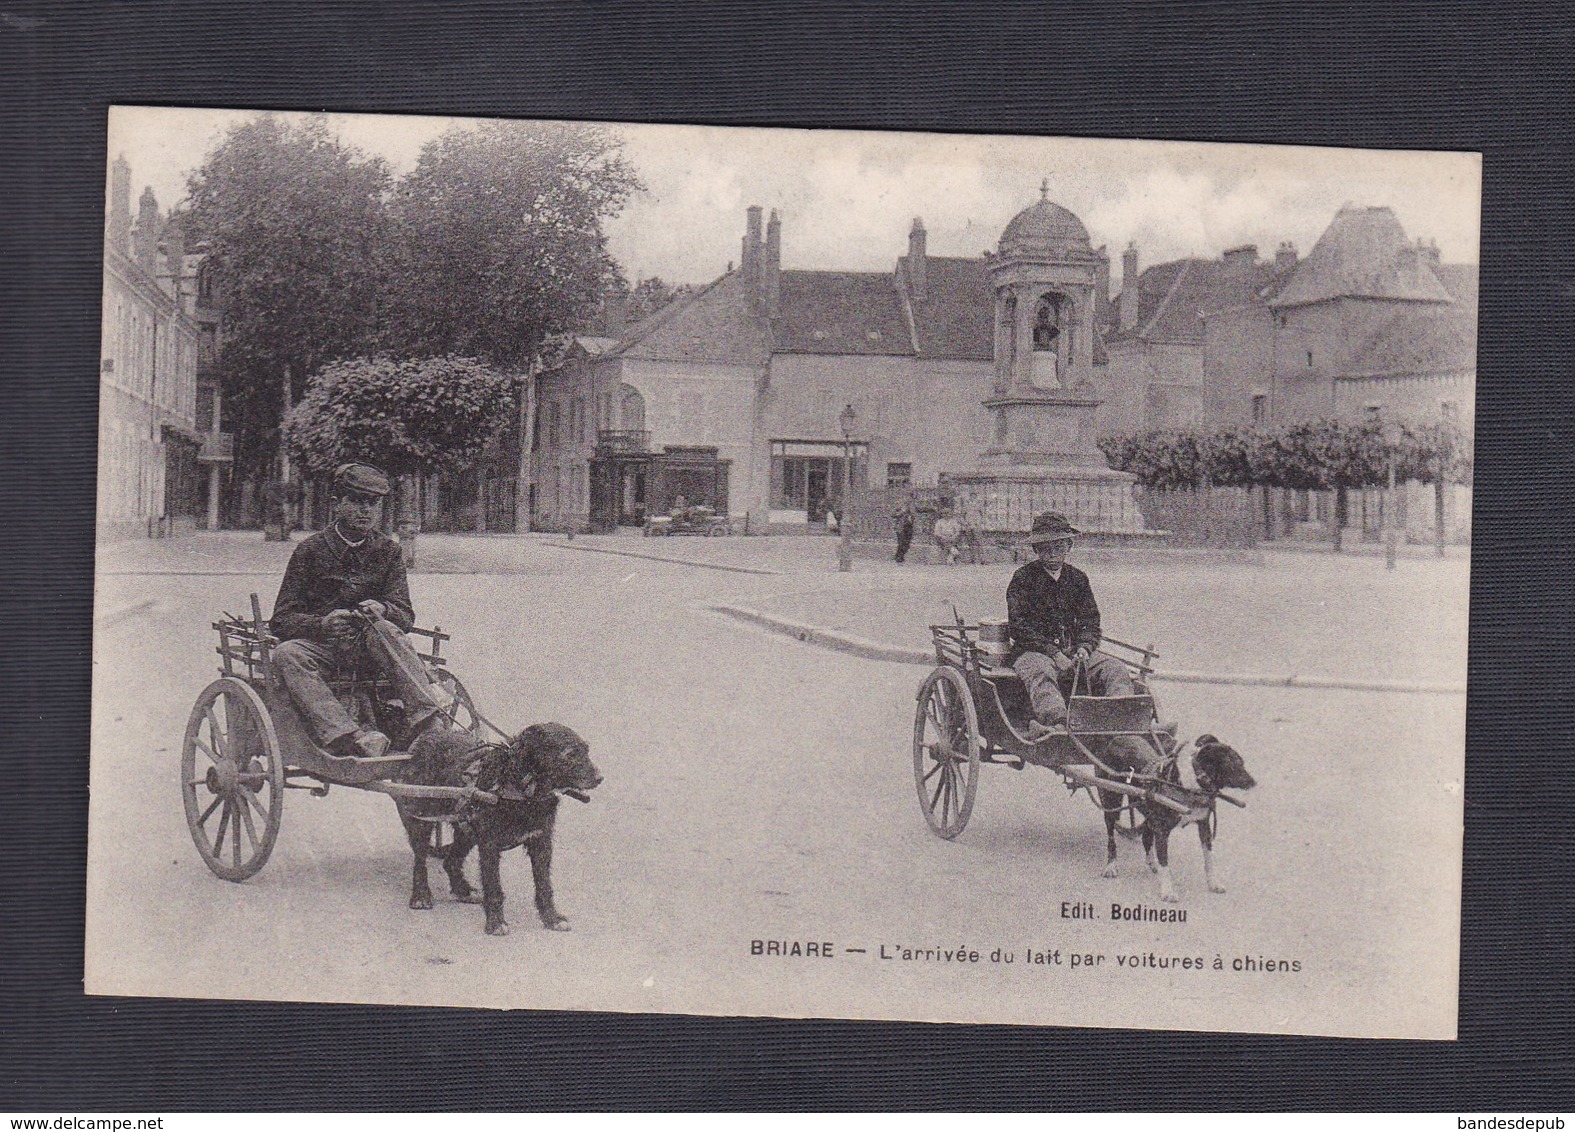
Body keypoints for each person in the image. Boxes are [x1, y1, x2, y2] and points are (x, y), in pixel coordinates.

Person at [270, 463, 450, 759]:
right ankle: (353, 736)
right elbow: (281, 620)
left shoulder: (388, 551)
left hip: (374, 652)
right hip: (322, 649)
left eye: (373, 503)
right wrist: (322, 624)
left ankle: (428, 721)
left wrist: (383, 608)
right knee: (287, 654)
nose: (366, 510)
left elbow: (405, 616)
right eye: (356, 501)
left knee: (385, 628)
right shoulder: (310, 551)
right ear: (336, 504)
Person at [1006, 512, 1146, 755]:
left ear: (1069, 546)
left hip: (1075, 651)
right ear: (1036, 550)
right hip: (1033, 651)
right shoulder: (1023, 579)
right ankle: (1057, 724)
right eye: (1046, 548)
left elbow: (1091, 621)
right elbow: (1019, 626)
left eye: (1058, 546)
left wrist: (1085, 647)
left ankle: (1122, 720)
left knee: (1114, 668)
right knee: (1041, 673)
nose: (1052, 553)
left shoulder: (1078, 579)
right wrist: (1052, 652)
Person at [892, 494, 916, 563]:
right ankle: (899, 557)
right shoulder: (899, 507)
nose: (909, 500)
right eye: (908, 498)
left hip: (909, 526)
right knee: (901, 542)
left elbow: (919, 510)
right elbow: (893, 514)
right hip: (901, 526)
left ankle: (900, 555)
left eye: (911, 499)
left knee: (907, 543)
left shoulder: (912, 507)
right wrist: (902, 512)